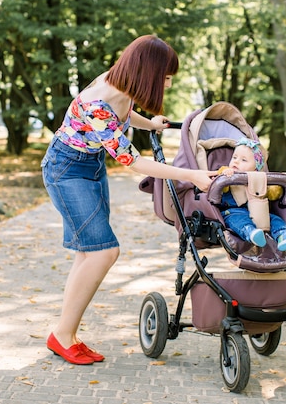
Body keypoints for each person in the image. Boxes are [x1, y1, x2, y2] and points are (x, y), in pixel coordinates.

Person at [41, 35, 216, 365]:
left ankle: (66, 333)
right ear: (148, 73)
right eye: (165, 78)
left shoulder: (121, 87)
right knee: (104, 251)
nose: (166, 84)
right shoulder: (98, 101)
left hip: (89, 167)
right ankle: (62, 335)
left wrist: (148, 122)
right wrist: (191, 176)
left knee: (89, 253)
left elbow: (123, 113)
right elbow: (132, 161)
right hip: (65, 171)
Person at [217, 138, 286, 251]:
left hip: (259, 213)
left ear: (256, 167)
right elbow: (220, 187)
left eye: (243, 160)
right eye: (234, 157)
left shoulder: (260, 179)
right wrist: (224, 174)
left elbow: (273, 194)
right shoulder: (228, 173)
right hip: (233, 211)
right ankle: (251, 233)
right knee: (238, 221)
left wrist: (282, 180)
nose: (236, 161)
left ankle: (283, 236)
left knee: (275, 219)